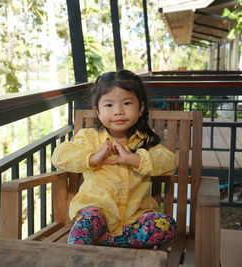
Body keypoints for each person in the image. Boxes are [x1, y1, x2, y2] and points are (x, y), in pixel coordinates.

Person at [51, 70, 177, 248]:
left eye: (127, 103)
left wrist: (133, 158)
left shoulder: (145, 141)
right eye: (109, 105)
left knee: (166, 226)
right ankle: (90, 249)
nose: (118, 111)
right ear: (98, 111)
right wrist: (92, 158)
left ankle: (106, 241)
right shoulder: (89, 138)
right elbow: (59, 156)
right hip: (98, 213)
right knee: (86, 224)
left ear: (140, 108)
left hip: (137, 218)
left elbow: (170, 162)